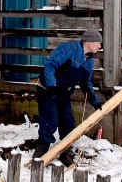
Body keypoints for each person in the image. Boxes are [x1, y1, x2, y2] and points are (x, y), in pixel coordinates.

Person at [32, 29, 103, 166]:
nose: (100, 46)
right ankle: (40, 153)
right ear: (88, 42)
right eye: (98, 43)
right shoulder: (69, 49)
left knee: (68, 122)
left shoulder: (89, 61)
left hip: (63, 93)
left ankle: (64, 153)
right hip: (48, 90)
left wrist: (95, 102)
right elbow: (50, 64)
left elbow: (85, 83)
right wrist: (52, 84)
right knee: (50, 121)